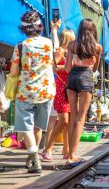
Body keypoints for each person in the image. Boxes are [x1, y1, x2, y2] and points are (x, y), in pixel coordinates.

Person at [10, 11, 56, 173]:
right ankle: (32, 155)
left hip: (26, 92)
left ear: (24, 29)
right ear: (39, 27)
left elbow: (14, 71)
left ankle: (34, 158)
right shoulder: (48, 43)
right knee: (38, 127)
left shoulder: (21, 46)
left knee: (26, 128)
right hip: (46, 91)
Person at [65, 19, 102, 167]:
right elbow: (94, 69)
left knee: (73, 116)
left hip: (72, 78)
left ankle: (69, 153)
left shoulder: (71, 45)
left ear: (80, 30)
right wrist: (91, 61)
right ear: (93, 31)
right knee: (81, 118)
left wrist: (75, 60)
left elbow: (67, 68)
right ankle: (73, 155)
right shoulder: (97, 48)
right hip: (86, 78)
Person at [41, 25, 75, 162]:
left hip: (70, 88)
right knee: (63, 121)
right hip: (61, 89)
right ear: (69, 39)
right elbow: (51, 66)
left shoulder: (71, 53)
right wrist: (67, 67)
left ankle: (66, 150)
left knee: (69, 122)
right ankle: (47, 149)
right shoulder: (61, 51)